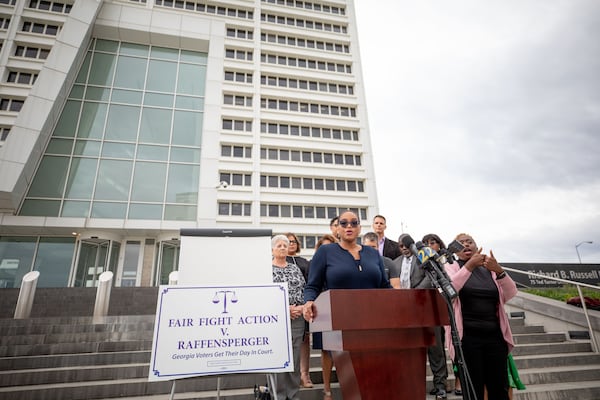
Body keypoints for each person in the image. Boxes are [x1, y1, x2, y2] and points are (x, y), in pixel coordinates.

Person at [304, 211, 391, 398]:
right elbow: (312, 285)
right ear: (337, 229)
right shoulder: (325, 252)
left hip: (371, 323)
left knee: (371, 377)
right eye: (344, 223)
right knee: (350, 380)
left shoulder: (373, 254)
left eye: (354, 223)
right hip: (340, 322)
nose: (349, 226)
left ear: (360, 228)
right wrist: (308, 302)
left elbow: (385, 286)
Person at [444, 233, 518, 400]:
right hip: (468, 339)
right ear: (455, 250)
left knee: (499, 388)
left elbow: (510, 292)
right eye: (461, 243)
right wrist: (469, 266)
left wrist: (498, 269)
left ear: (477, 247)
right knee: (473, 389)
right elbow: (450, 292)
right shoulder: (451, 267)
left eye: (470, 242)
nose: (466, 245)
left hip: (495, 337)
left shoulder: (489, 270)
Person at [389, 233, 447, 399]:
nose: (405, 248)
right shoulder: (394, 263)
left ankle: (440, 385)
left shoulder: (423, 257)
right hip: (404, 312)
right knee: (410, 351)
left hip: (427, 308)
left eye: (407, 245)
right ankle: (413, 386)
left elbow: (433, 276)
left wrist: (414, 295)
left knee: (435, 350)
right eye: (401, 246)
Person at [270, 235, 306, 400]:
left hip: (296, 319)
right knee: (277, 357)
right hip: (274, 319)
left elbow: (303, 289)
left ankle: (293, 395)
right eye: (279, 245)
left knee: (294, 358)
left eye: (286, 245)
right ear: (272, 249)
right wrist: (284, 309)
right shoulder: (266, 269)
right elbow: (262, 297)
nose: (283, 247)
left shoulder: (294, 268)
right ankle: (278, 395)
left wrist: (300, 308)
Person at [421, 234, 451, 398]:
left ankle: (440, 384)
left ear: (439, 245)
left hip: (435, 309)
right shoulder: (418, 261)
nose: (429, 245)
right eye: (426, 243)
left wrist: (414, 289)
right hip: (416, 309)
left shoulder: (442, 261)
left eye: (433, 242)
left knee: (436, 350)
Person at [309, 234, 337, 400]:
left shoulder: (342, 263)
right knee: (326, 350)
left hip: (343, 309)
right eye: (323, 247)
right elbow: (311, 286)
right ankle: (327, 390)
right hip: (323, 311)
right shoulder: (314, 264)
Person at [285, 232, 313, 388]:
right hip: (285, 308)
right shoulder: (276, 261)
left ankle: (305, 375)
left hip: (303, 306)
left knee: (304, 340)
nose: (291, 244)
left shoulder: (304, 262)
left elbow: (310, 282)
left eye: (293, 241)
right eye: (288, 241)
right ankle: (290, 377)